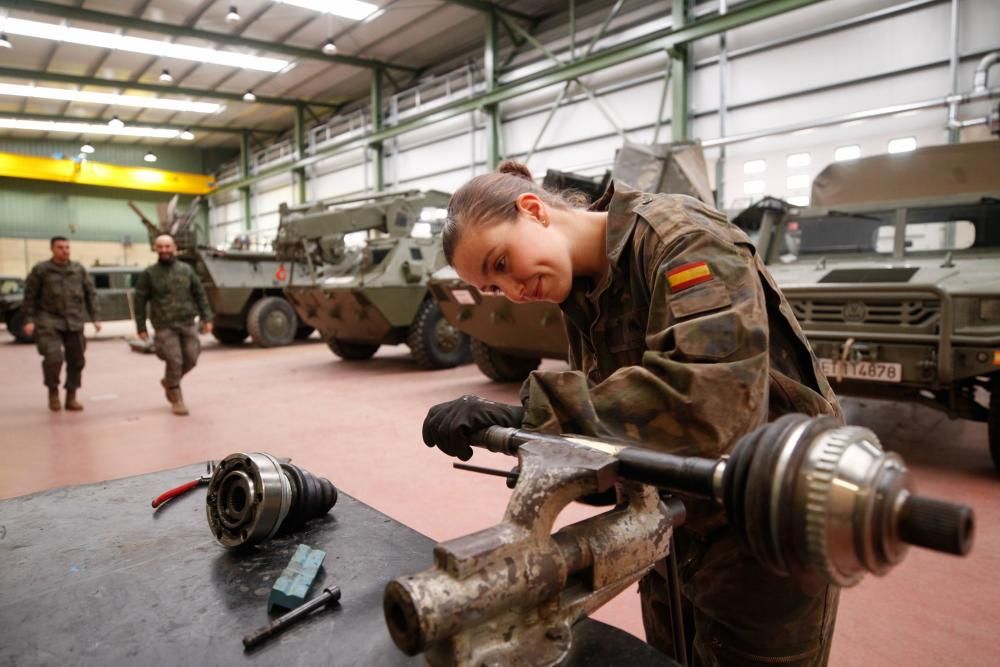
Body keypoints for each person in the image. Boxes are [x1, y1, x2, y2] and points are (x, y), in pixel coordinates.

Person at [421, 161, 844, 665]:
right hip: (675, 520)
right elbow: (623, 426)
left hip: (767, 525)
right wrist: (554, 462)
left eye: (501, 262)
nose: (512, 290)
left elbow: (711, 408)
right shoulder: (582, 292)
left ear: (533, 211)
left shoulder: (681, 240)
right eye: (493, 288)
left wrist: (534, 417)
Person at [134, 234, 213, 416]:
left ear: (174, 247)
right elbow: (140, 301)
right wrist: (141, 327)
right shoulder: (149, 274)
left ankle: (169, 381)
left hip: (187, 321)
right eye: (160, 247)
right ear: (155, 249)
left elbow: (200, 293)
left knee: (192, 358)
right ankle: (176, 397)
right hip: (164, 324)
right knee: (175, 359)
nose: (164, 250)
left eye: (167, 246)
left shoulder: (186, 270)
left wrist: (207, 318)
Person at [21, 236, 102, 411]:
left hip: (74, 320)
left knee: (77, 360)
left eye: (67, 247)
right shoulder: (41, 270)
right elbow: (30, 296)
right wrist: (29, 320)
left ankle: (71, 396)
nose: (65, 250)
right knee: (53, 358)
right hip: (48, 319)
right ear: (52, 249)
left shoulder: (78, 269)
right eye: (60, 247)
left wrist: (95, 317)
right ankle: (53, 392)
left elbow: (90, 294)